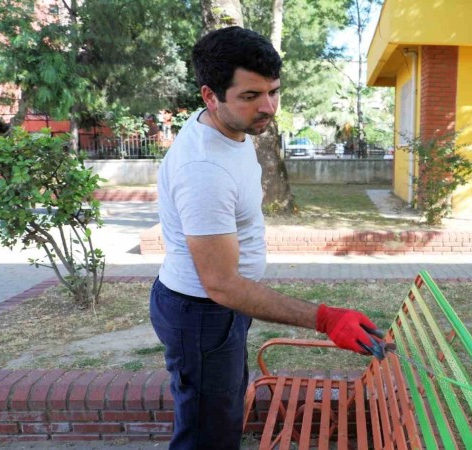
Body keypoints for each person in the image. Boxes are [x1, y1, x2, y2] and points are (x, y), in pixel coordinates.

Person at [149, 26, 382, 450]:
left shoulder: (228, 127)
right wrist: (326, 319)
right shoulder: (204, 172)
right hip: (202, 312)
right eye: (251, 96)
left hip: (219, 309)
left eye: (274, 91)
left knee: (221, 416)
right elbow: (221, 284)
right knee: (207, 437)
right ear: (210, 96)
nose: (269, 107)